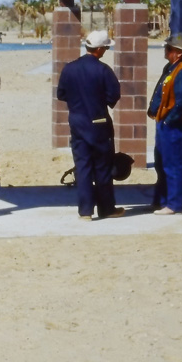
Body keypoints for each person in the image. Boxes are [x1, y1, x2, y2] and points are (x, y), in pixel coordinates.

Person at [56, 30, 124, 221]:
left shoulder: (69, 69)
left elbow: (61, 94)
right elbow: (113, 96)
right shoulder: (103, 70)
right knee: (102, 167)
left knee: (83, 167)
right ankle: (106, 208)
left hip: (77, 124)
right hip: (99, 124)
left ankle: (85, 211)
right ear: (100, 49)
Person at [147, 32, 182, 215]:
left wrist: (168, 120)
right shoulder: (170, 67)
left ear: (179, 52)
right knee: (161, 164)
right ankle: (161, 201)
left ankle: (174, 205)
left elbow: (181, 102)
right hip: (162, 122)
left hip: (171, 125)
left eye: (169, 49)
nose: (166, 51)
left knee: (172, 165)